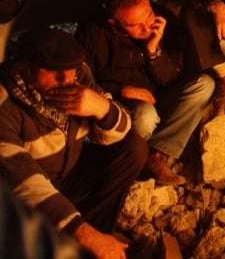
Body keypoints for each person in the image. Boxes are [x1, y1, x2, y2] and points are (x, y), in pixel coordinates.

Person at [0, 27, 147, 259]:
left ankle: (99, 234)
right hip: (25, 196)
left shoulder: (77, 76)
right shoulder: (4, 102)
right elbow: (22, 181)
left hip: (69, 172)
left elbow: (120, 131)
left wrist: (101, 108)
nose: (67, 80)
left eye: (71, 71)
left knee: (134, 149)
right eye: (54, 72)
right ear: (22, 69)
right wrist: (81, 233)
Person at [76, 0, 214, 185]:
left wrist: (153, 52)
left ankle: (156, 155)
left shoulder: (162, 21)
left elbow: (172, 78)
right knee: (145, 115)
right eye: (135, 25)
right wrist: (119, 91)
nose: (147, 26)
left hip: (160, 96)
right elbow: (81, 81)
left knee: (204, 85)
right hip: (119, 106)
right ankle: (132, 162)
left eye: (148, 15)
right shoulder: (92, 34)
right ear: (114, 23)